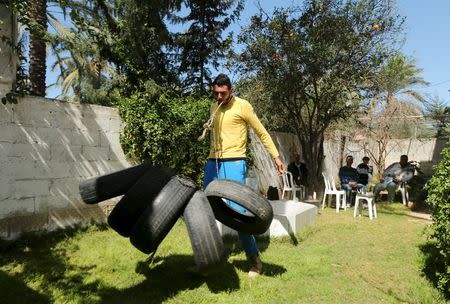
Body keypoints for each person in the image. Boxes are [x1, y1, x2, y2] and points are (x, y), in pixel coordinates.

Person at [201, 73, 285, 278]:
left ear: (231, 90)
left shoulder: (243, 106)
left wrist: (276, 157)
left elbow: (261, 132)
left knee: (238, 213)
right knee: (202, 208)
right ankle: (206, 260)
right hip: (213, 162)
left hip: (235, 162)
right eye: (216, 93)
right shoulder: (214, 107)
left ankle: (254, 259)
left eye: (223, 93)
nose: (219, 97)